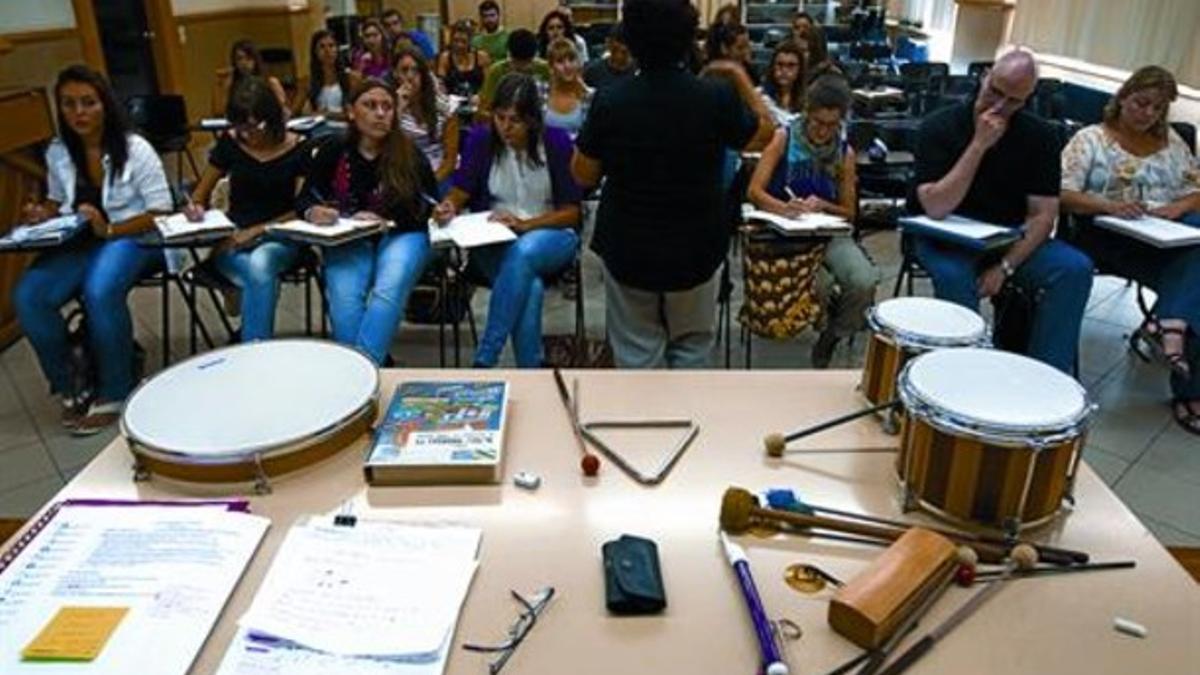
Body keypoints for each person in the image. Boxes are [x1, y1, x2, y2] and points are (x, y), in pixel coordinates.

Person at [571, 0, 774, 368]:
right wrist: (737, 74)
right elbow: (765, 134)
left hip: (629, 246)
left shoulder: (611, 101)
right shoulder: (715, 96)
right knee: (693, 348)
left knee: (636, 355)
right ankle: (689, 423)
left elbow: (582, 175)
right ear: (688, 39)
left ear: (630, 40)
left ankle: (643, 423)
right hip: (696, 247)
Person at [907, 49, 1092, 375]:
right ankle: (960, 374)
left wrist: (1005, 268)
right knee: (956, 279)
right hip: (943, 236)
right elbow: (937, 206)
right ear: (984, 77)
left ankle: (1047, 377)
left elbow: (1043, 216)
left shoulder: (1041, 137)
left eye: (1013, 101)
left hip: (1006, 239)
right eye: (995, 91)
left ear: (1027, 99)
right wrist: (978, 145)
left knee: (1074, 269)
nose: (999, 107)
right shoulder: (940, 125)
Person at [14, 65, 172, 434]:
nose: (78, 113)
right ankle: (72, 383)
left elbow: (161, 211)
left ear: (106, 105)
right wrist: (42, 213)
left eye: (88, 103)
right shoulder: (58, 150)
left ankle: (116, 389)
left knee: (100, 290)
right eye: (68, 104)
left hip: (135, 237)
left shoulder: (136, 148)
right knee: (29, 296)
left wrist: (111, 227)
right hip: (81, 241)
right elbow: (59, 200)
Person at [1060, 65, 1200, 434]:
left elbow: (1195, 188)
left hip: (1166, 234)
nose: (1148, 114)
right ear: (1123, 97)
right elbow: (1063, 193)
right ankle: (1190, 388)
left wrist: (1179, 207)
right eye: (1142, 104)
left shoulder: (1172, 142)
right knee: (1196, 278)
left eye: (1158, 108)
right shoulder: (1090, 139)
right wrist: (1108, 205)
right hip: (1108, 235)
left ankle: (1168, 322)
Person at [434, 73, 581, 368]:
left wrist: (526, 225)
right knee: (531, 286)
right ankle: (531, 370)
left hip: (550, 232)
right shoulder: (481, 140)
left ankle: (486, 356)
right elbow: (463, 189)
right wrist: (449, 205)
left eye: (515, 120)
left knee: (524, 251)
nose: (505, 127)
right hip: (493, 239)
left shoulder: (555, 142)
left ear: (532, 119)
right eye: (500, 118)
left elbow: (573, 212)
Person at [296, 79, 436, 365]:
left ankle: (360, 374)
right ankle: (375, 366)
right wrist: (314, 212)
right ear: (351, 112)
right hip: (349, 237)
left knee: (389, 288)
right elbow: (304, 199)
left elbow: (427, 207)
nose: (381, 113)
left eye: (387, 106)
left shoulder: (409, 153)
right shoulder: (333, 150)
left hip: (403, 234)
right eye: (370, 106)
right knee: (344, 302)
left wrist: (389, 219)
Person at [748, 75, 880, 367]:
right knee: (818, 286)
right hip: (789, 233)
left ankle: (833, 334)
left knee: (864, 280)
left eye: (832, 125)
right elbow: (754, 191)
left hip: (828, 231)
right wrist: (783, 207)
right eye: (818, 123)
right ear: (807, 113)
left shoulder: (844, 152)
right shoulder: (784, 137)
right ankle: (817, 322)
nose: (824, 132)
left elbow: (849, 213)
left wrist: (825, 205)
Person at [185, 78, 309, 342]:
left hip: (280, 236)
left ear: (272, 118)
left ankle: (252, 346)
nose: (249, 135)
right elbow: (200, 193)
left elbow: (300, 209)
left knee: (261, 263)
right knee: (258, 271)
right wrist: (195, 208)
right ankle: (255, 346)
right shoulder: (231, 143)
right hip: (234, 237)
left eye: (256, 126)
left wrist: (256, 232)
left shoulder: (299, 146)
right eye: (241, 127)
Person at [393, 46, 461, 188]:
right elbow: (386, 147)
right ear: (395, 74)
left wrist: (430, 183)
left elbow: (450, 159)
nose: (410, 76)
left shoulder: (444, 106)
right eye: (404, 70)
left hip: (441, 170)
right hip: (407, 172)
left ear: (424, 75)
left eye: (416, 70)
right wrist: (398, 109)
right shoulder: (389, 106)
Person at [478, 29, 551, 114]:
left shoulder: (545, 69)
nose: (522, 69)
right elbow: (484, 109)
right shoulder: (497, 71)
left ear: (535, 55)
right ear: (509, 55)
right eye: (517, 67)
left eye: (527, 65)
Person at [213, 39, 287, 117]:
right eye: (239, 59)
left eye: (248, 58)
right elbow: (219, 112)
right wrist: (219, 83)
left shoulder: (270, 82)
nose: (244, 63)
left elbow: (283, 111)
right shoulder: (232, 85)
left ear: (255, 60)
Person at [543, 38, 592, 137]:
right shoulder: (540, 93)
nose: (567, 66)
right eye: (560, 61)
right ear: (551, 67)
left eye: (571, 59)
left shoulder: (590, 96)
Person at [298, 29, 351, 119]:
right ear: (315, 52)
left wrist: (328, 114)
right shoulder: (307, 81)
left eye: (331, 46)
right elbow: (295, 113)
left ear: (337, 49)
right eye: (322, 47)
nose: (327, 51)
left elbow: (354, 113)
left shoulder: (351, 78)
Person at [437, 19, 492, 98]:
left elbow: (488, 85)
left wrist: (480, 96)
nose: (459, 45)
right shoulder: (445, 57)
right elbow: (440, 84)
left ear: (470, 41)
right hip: (452, 101)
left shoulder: (482, 57)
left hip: (477, 100)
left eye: (463, 41)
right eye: (455, 41)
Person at [761, 42, 806, 123]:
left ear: (800, 69)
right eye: (780, 64)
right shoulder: (758, 97)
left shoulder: (809, 100)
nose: (784, 70)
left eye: (791, 65)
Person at [583, 22, 635, 91]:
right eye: (616, 49)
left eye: (624, 52)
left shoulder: (641, 72)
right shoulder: (591, 71)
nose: (619, 56)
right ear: (608, 43)